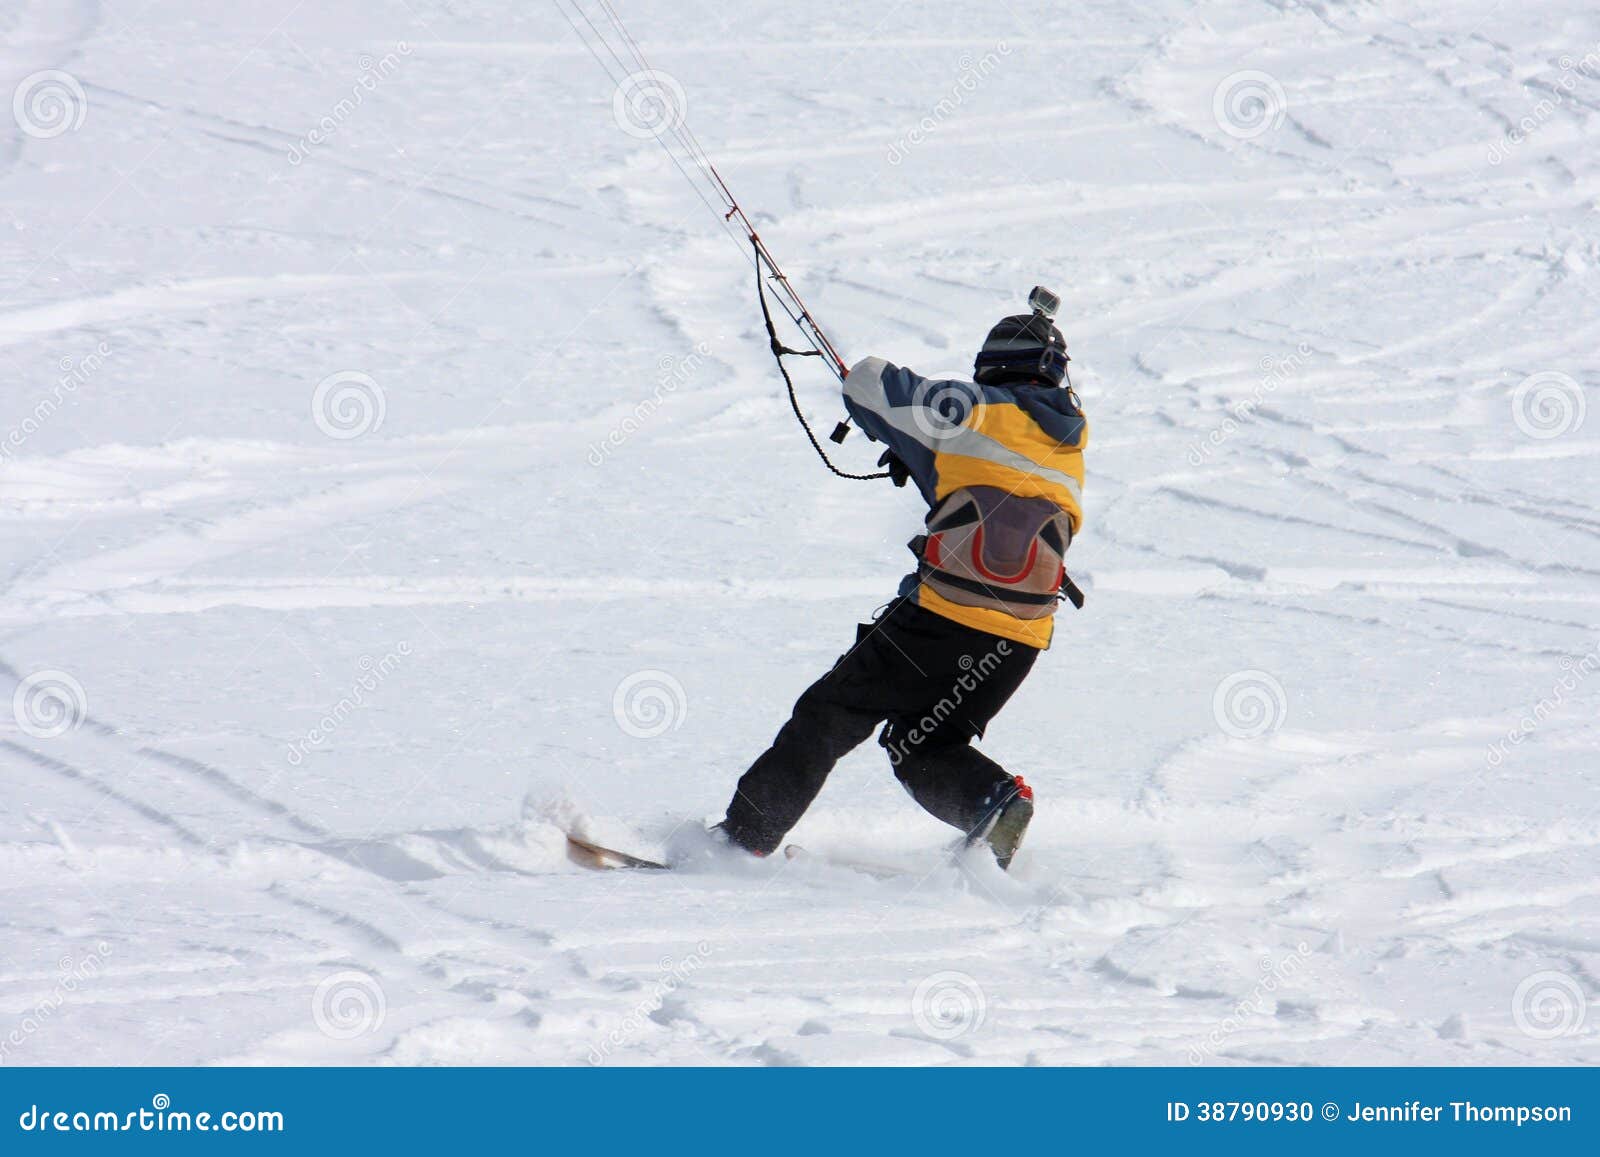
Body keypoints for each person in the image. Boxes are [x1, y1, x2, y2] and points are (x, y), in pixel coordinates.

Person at [717, 289, 1088, 869]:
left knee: (828, 715)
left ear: (992, 366)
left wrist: (912, 438)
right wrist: (924, 458)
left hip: (942, 621)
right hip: (1020, 642)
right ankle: (994, 804)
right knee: (923, 742)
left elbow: (868, 384)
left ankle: (740, 842)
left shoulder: (973, 408)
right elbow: (992, 491)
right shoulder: (1070, 449)